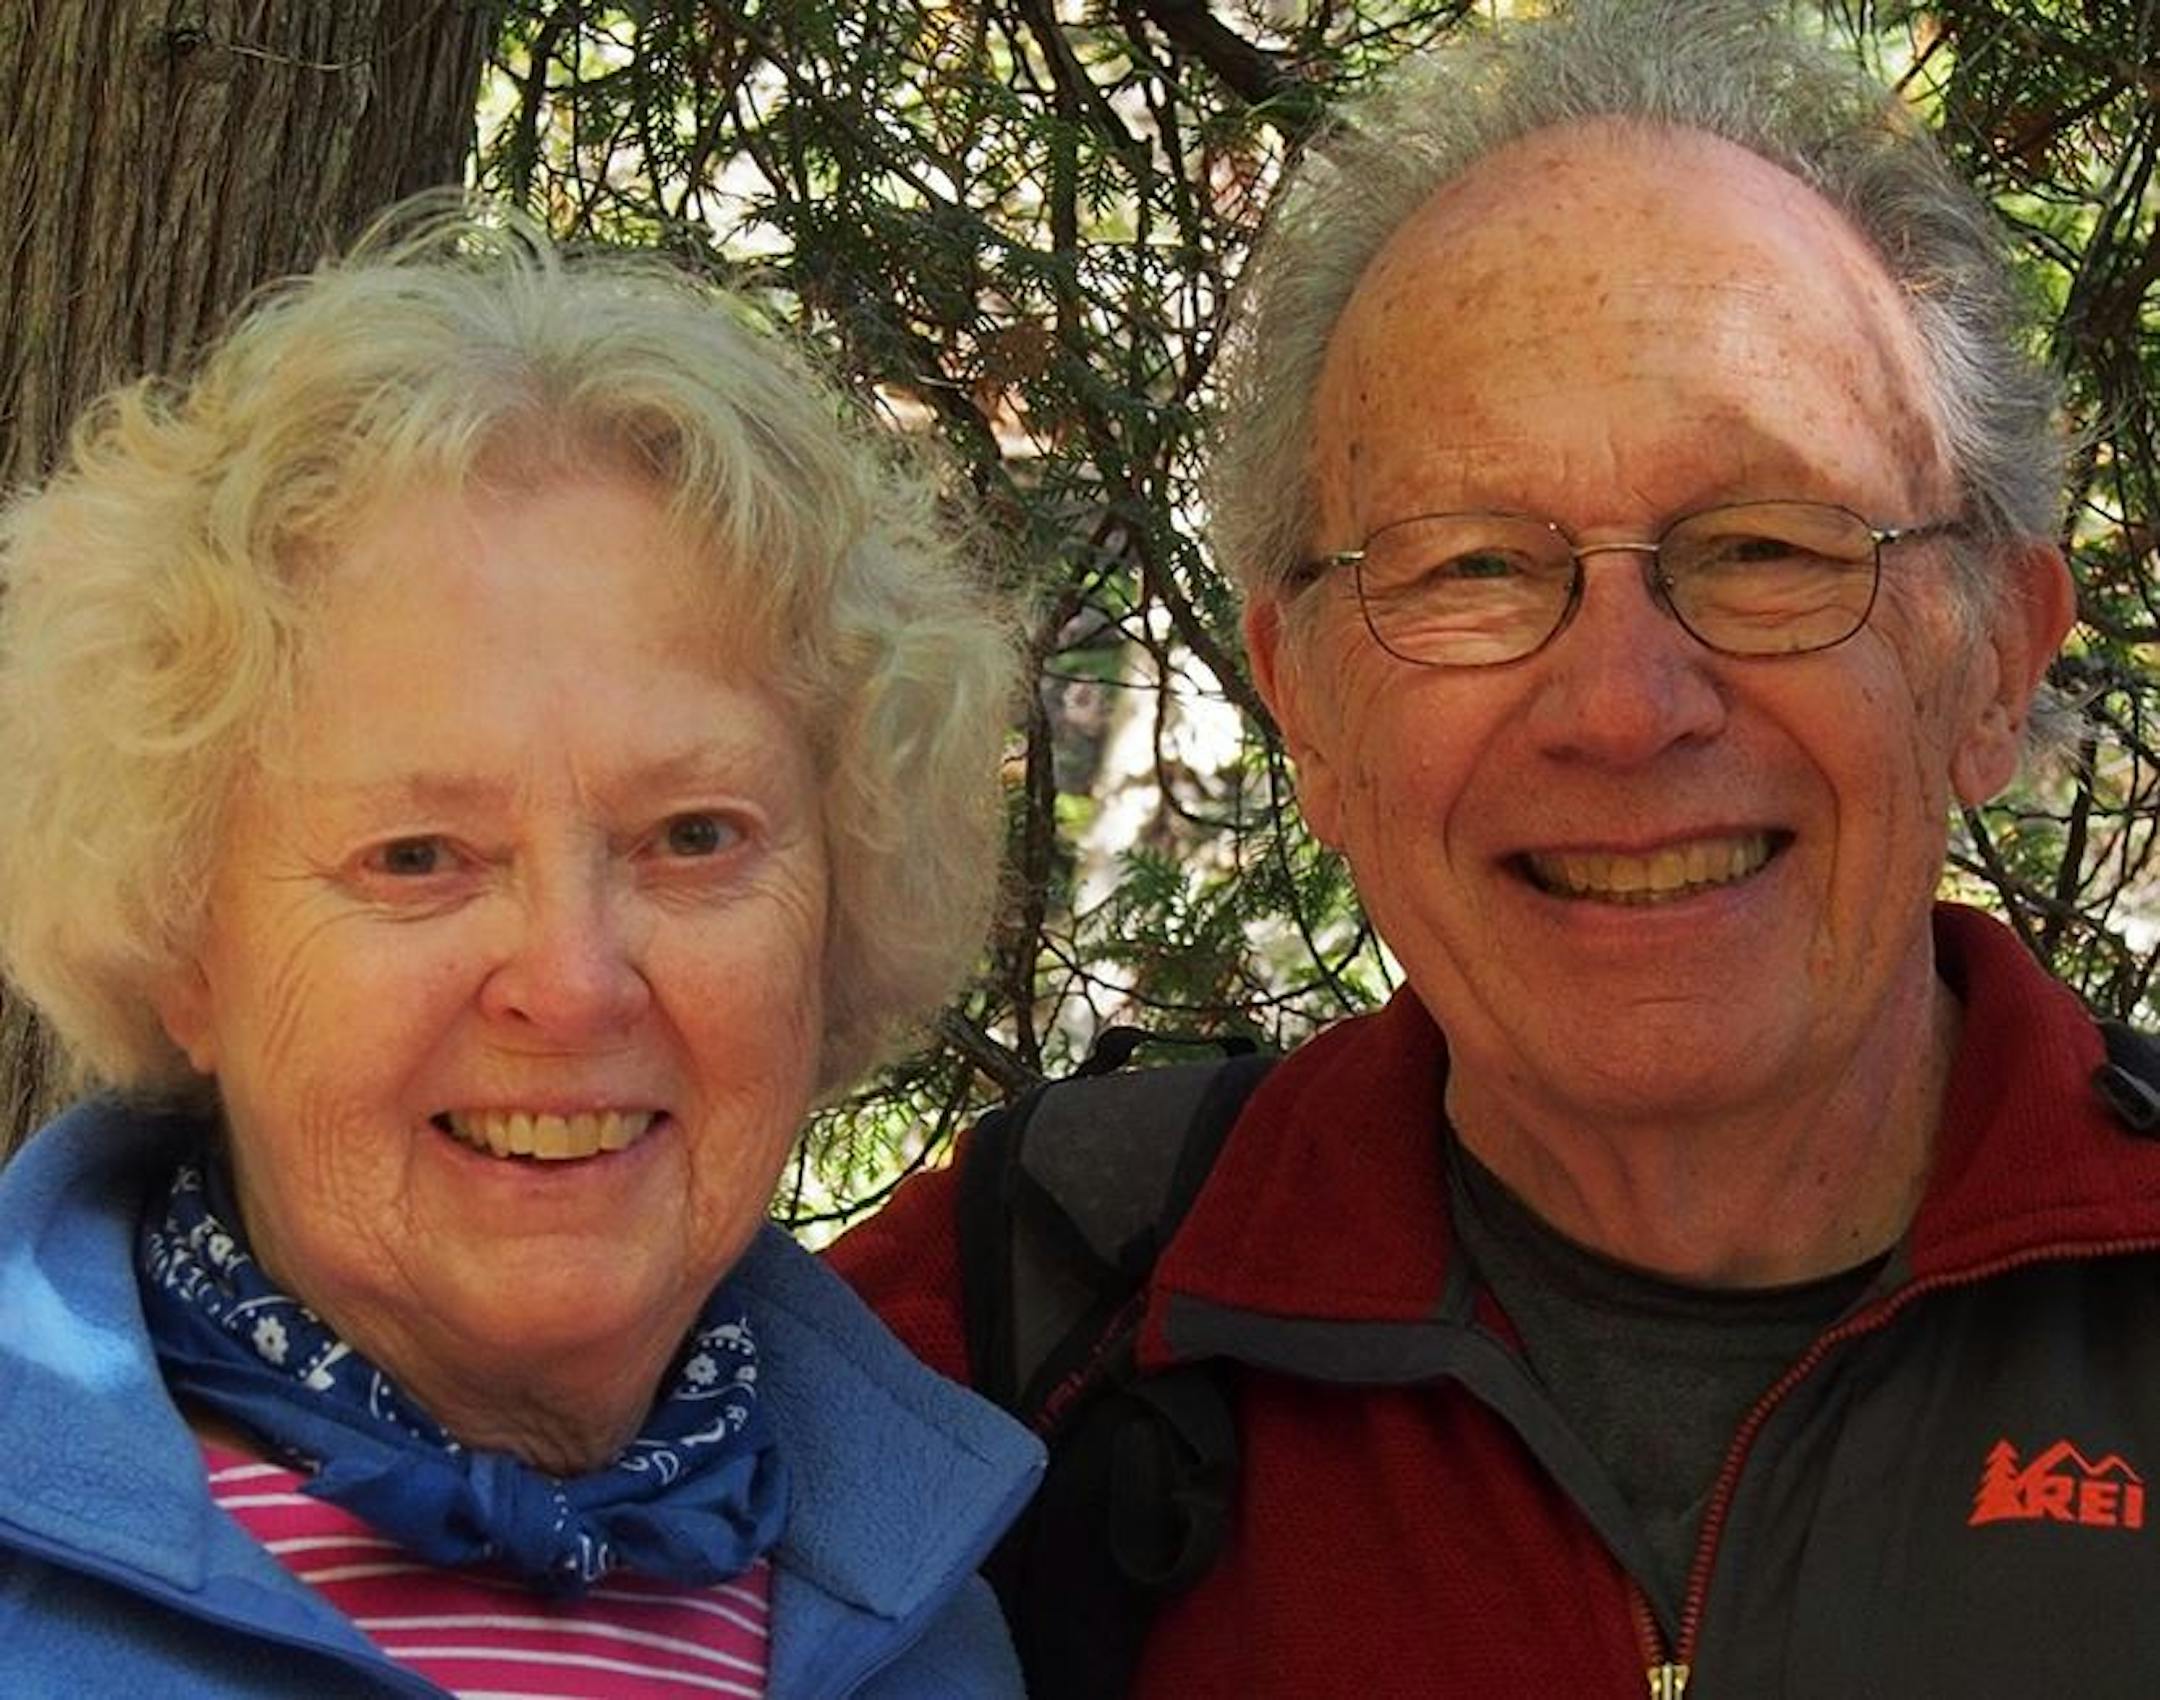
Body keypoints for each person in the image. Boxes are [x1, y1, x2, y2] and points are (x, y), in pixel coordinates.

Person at [832, 2, 2160, 1693]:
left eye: (1762, 545)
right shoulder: (995, 1348)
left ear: (1995, 662)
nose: (1621, 706)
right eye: (1467, 570)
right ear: (1304, 709)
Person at [0, 206, 1041, 1697]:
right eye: (417, 857)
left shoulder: (941, 1614)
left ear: (841, 917)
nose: (572, 979)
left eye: (693, 837)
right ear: (183, 947)